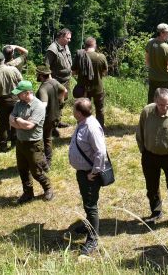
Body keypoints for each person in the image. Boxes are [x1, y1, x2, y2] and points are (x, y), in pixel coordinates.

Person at [136, 88, 168, 230]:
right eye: (161, 105)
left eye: (167, 104)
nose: (164, 108)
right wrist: (144, 151)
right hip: (149, 156)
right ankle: (156, 212)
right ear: (155, 101)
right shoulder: (146, 112)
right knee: (151, 187)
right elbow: (139, 133)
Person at [68, 97, 108, 256]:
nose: (72, 111)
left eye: (73, 109)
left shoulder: (91, 127)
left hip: (90, 174)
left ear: (78, 112)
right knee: (87, 201)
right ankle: (88, 225)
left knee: (91, 206)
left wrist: (94, 172)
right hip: (83, 173)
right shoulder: (83, 123)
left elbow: (101, 152)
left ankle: (92, 239)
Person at [9, 80, 54, 204]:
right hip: (21, 142)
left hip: (34, 143)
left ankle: (48, 188)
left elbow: (29, 126)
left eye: (19, 93)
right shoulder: (19, 104)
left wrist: (17, 120)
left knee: (36, 171)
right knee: (22, 169)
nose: (17, 95)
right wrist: (21, 122)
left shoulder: (38, 106)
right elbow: (10, 120)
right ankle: (28, 193)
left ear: (27, 93)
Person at [72, 37, 108, 130]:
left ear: (85, 46)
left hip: (83, 89)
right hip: (98, 88)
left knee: (83, 110)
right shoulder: (101, 57)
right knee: (99, 110)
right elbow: (104, 72)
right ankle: (99, 129)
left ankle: (83, 128)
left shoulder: (79, 56)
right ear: (94, 45)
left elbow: (74, 72)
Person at [35, 65, 67, 169]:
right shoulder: (55, 82)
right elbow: (64, 91)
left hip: (47, 119)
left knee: (45, 139)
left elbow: (44, 104)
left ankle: (47, 163)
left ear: (41, 75)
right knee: (48, 137)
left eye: (37, 74)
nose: (36, 76)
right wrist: (60, 101)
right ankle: (47, 161)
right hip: (56, 115)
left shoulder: (43, 89)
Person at [45, 28, 73, 128]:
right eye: (67, 38)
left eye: (70, 38)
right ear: (61, 37)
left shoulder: (66, 46)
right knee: (55, 103)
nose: (69, 40)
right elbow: (46, 67)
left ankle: (58, 121)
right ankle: (51, 125)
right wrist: (51, 81)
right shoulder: (52, 49)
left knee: (62, 101)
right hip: (57, 80)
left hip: (66, 79)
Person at [145, 23, 168, 104]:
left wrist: (153, 70)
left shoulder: (150, 43)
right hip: (164, 80)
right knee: (166, 102)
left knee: (152, 101)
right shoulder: (167, 48)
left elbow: (147, 61)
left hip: (152, 78)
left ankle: (150, 115)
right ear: (162, 33)